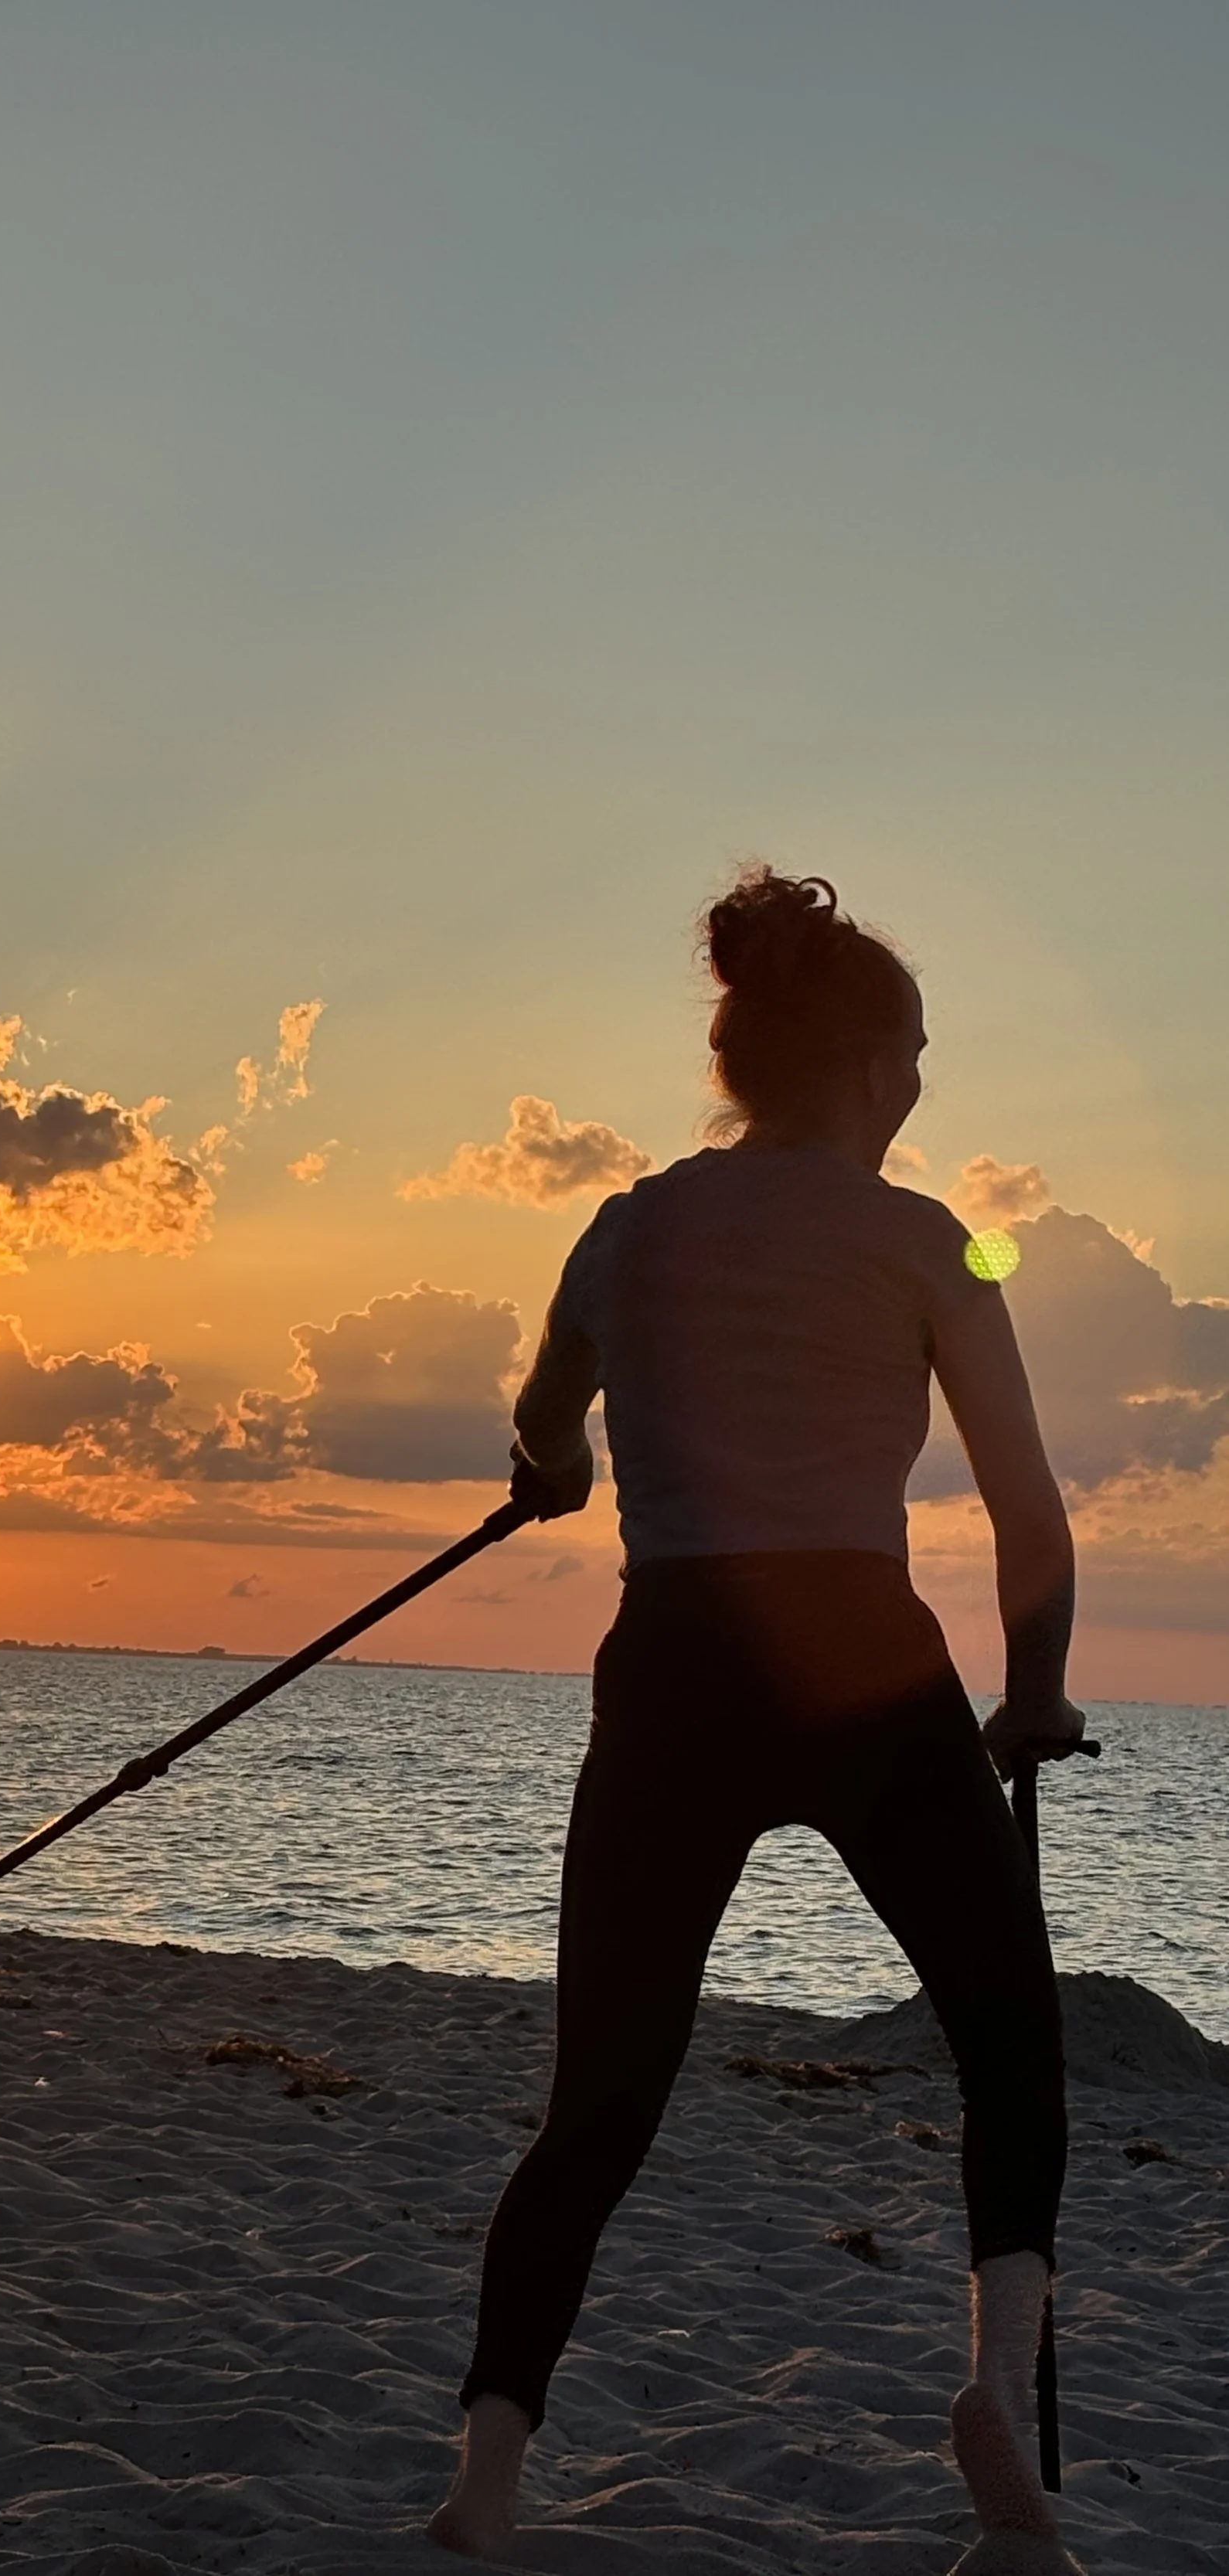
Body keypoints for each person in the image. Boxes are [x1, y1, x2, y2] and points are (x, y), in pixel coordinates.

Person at [429, 869, 1086, 2570]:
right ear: (867, 1066)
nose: (924, 1085)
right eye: (918, 1055)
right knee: (1009, 2045)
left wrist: (557, 1467)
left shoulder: (629, 1225)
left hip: (674, 1666)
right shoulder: (926, 1240)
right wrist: (1028, 1700)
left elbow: (541, 1423)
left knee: (599, 2106)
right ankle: (995, 2415)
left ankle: (484, 2486)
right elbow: (1027, 1520)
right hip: (862, 1659)